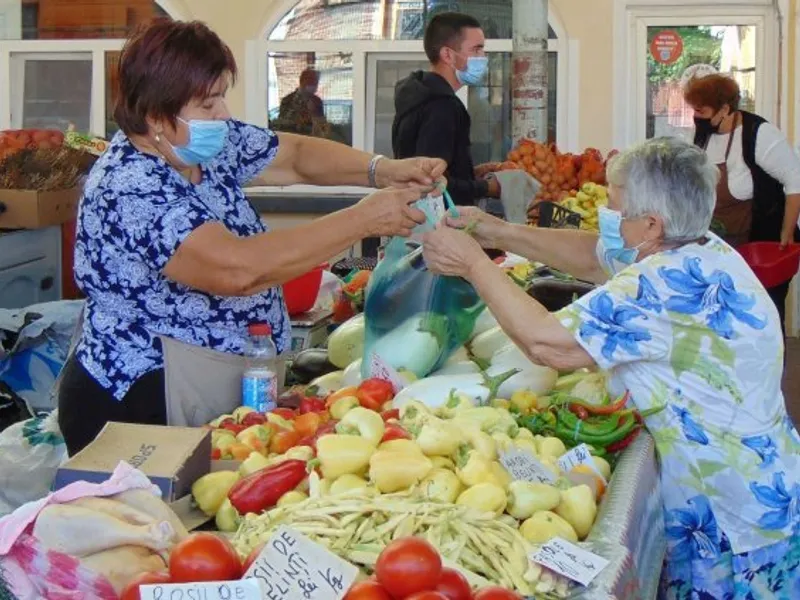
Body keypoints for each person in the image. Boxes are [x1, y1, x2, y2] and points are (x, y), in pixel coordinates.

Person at [422, 137, 800, 599]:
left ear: (651, 224)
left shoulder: (661, 284)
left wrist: (473, 264)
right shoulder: (700, 247)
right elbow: (593, 254)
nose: (609, 216)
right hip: (765, 479)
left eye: (617, 209)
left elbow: (547, 345)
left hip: (729, 515)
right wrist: (496, 231)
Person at [57, 19, 446, 456]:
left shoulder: (198, 144)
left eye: (222, 94)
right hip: (144, 398)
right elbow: (238, 268)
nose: (223, 112)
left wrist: (382, 169)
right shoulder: (129, 185)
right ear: (155, 116)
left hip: (214, 381)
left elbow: (295, 157)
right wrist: (363, 219)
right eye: (208, 103)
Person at [684, 73, 800, 335]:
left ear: (724, 109)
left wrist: (787, 231)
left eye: (701, 110)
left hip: (761, 243)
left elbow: (795, 180)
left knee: (763, 315)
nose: (697, 117)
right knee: (725, 318)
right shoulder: (704, 136)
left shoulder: (759, 134)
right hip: (722, 244)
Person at [392, 12, 500, 207]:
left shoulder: (418, 94)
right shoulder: (443, 106)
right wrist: (488, 188)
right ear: (448, 54)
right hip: (438, 225)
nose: (483, 58)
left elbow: (433, 168)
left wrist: (470, 172)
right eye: (476, 50)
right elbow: (430, 182)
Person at [276, 69, 327, 137]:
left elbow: (322, 125)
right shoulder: (288, 100)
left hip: (313, 141)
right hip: (293, 139)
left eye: (316, 83)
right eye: (312, 82)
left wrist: (313, 114)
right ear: (302, 82)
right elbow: (282, 125)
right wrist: (298, 121)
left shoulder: (317, 101)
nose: (315, 86)